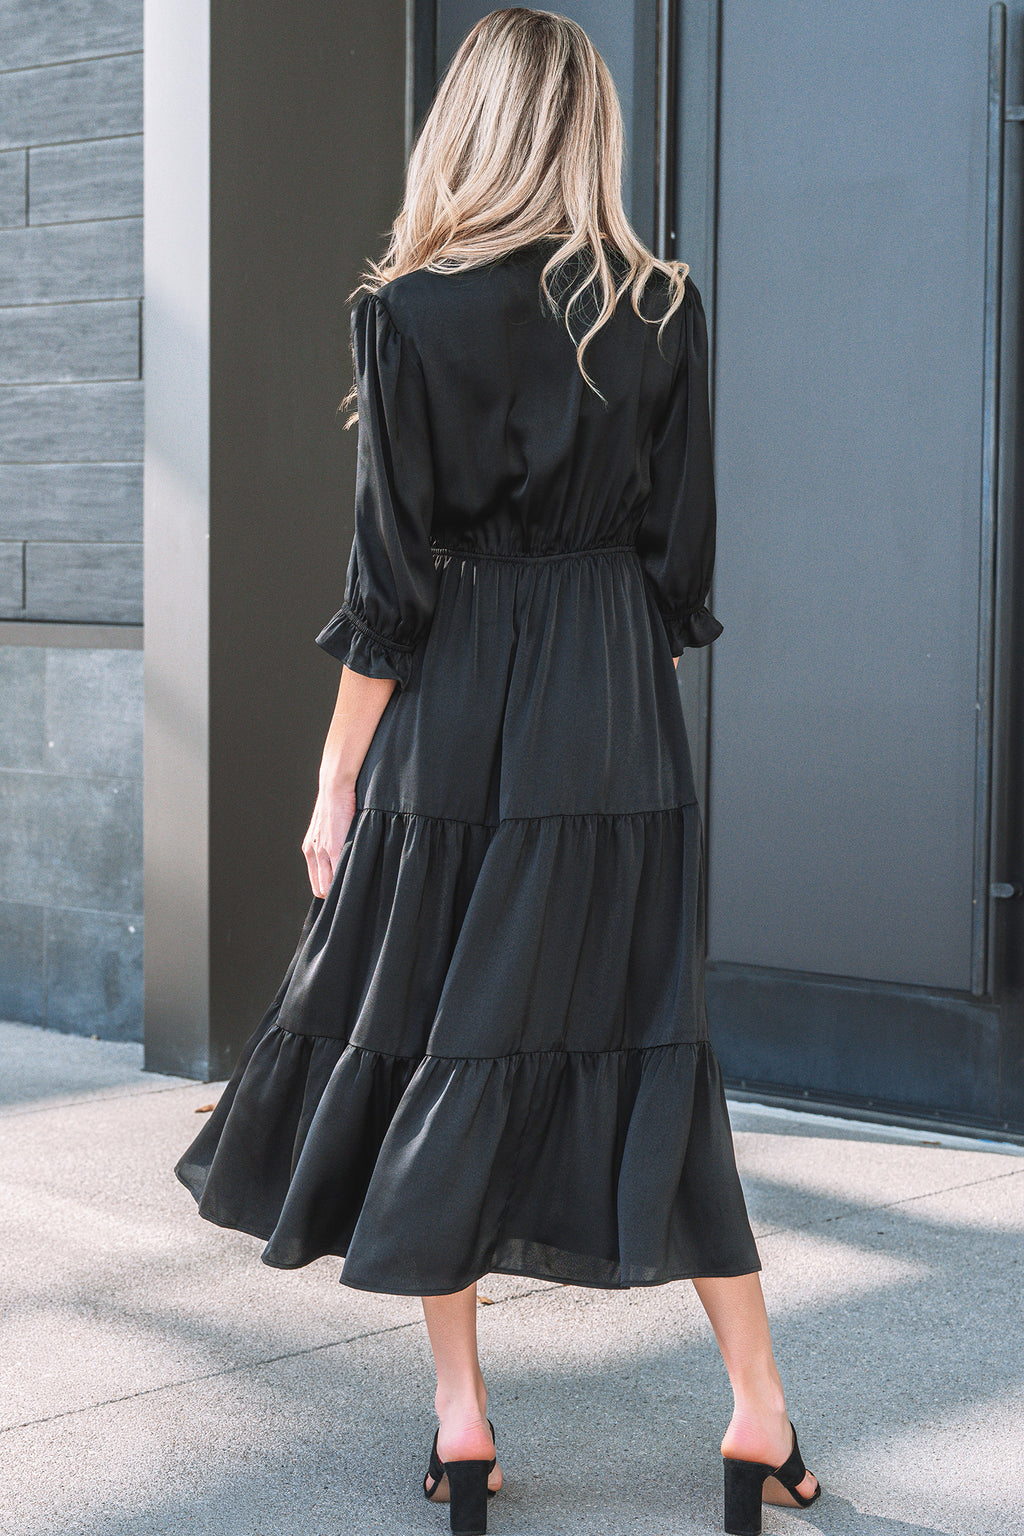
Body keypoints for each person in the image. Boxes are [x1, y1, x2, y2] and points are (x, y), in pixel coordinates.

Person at [174, 9, 821, 1535]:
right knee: (656, 1042)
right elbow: (680, 579)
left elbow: (387, 594)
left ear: (463, 126)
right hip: (614, 725)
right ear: (591, 126)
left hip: (454, 719)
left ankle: (463, 1428)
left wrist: (337, 783)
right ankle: (758, 1414)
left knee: (427, 1046)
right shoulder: (663, 306)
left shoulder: (401, 314)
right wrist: (602, 720)